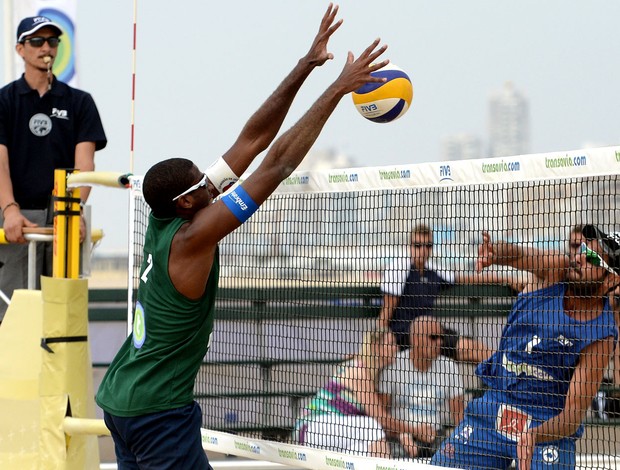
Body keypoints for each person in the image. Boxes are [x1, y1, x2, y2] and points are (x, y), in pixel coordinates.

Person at [96, 4, 390, 468]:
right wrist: (338, 89)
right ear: (188, 203)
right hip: (156, 412)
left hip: (122, 398)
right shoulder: (193, 237)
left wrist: (305, 65)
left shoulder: (167, 215)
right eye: (204, 184)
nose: (214, 182)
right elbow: (275, 164)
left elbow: (252, 140)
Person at [431, 225, 619, 470]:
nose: (580, 257)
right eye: (583, 249)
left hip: (547, 422)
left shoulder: (601, 335)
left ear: (611, 279)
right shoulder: (557, 269)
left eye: (593, 257)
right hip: (498, 402)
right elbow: (518, 255)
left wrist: (533, 435)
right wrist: (495, 252)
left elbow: (572, 416)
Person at [0, 15, 107, 322]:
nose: (45, 47)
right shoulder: (4, 101)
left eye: (52, 41)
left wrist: (72, 211)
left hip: (63, 215)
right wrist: (9, 210)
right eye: (37, 41)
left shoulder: (80, 102)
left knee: (61, 313)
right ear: (21, 49)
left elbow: (85, 164)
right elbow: (0, 161)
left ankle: (59, 369)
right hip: (18, 218)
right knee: (15, 310)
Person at [292, 329, 436, 457]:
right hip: (312, 428)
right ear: (376, 347)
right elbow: (380, 419)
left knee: (361, 451)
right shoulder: (359, 370)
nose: (396, 348)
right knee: (370, 426)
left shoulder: (373, 375)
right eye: (391, 343)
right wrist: (415, 430)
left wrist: (403, 434)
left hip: (330, 434)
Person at [379, 223, 509, 363]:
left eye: (428, 245)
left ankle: (507, 371)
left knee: (475, 349)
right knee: (463, 350)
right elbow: (386, 313)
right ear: (409, 246)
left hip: (432, 335)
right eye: (418, 245)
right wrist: (379, 341)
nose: (423, 250)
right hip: (404, 337)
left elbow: (467, 278)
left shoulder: (433, 271)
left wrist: (506, 279)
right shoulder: (398, 269)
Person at [378, 315, 465, 459]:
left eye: (441, 337)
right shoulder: (393, 367)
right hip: (401, 438)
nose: (439, 342)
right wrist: (403, 434)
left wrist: (460, 444)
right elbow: (382, 418)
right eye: (433, 337)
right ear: (415, 339)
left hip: (436, 437)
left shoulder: (450, 367)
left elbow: (458, 414)